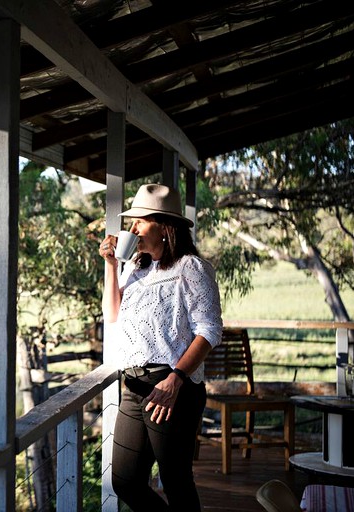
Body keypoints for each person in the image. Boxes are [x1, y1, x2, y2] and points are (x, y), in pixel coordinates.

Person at [99, 183, 223, 511]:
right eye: (132, 222)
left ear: (165, 227)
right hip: (133, 384)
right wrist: (111, 264)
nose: (133, 228)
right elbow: (111, 313)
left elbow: (209, 331)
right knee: (123, 480)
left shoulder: (192, 269)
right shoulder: (137, 267)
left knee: (176, 480)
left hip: (171, 387)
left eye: (140, 221)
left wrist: (176, 378)